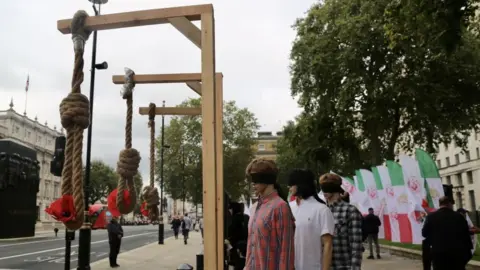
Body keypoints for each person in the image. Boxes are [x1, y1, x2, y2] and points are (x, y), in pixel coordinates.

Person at [245, 158, 295, 270]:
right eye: (251, 179)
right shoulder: (254, 208)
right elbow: (251, 246)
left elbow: (286, 250)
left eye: (256, 178)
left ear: (267, 179)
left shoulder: (280, 207)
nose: (253, 183)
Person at [288, 169, 334, 270]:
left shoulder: (321, 210)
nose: (289, 188)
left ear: (301, 185)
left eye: (292, 184)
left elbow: (328, 244)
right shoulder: (289, 208)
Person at [319, 173, 363, 270]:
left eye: (328, 187)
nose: (324, 191)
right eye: (322, 187)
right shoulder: (321, 211)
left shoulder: (350, 211)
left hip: (343, 266)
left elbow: (356, 246)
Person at [422, 196, 473, 270]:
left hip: (438, 254)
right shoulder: (459, 217)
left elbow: (424, 233)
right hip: (456, 254)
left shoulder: (431, 217)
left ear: (440, 204)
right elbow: (466, 235)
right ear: (449, 204)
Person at [227, 202, 249, 270]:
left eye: (230, 209)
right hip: (246, 245)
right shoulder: (247, 217)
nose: (229, 211)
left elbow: (231, 232)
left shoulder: (234, 218)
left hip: (236, 246)